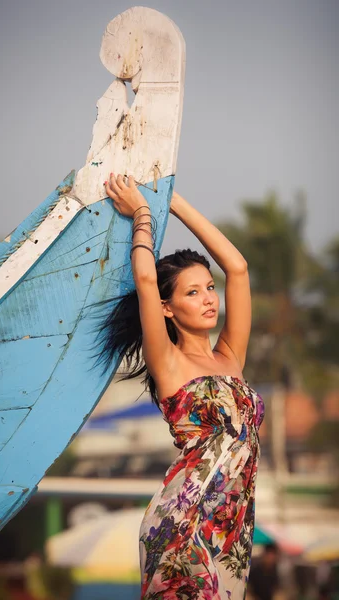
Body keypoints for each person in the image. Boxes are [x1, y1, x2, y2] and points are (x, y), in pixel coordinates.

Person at [102, 174, 265, 599]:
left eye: (209, 289)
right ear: (167, 309)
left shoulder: (230, 357)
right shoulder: (168, 362)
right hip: (184, 518)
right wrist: (142, 213)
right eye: (193, 293)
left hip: (230, 524)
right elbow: (145, 281)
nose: (210, 298)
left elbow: (238, 267)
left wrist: (172, 201)